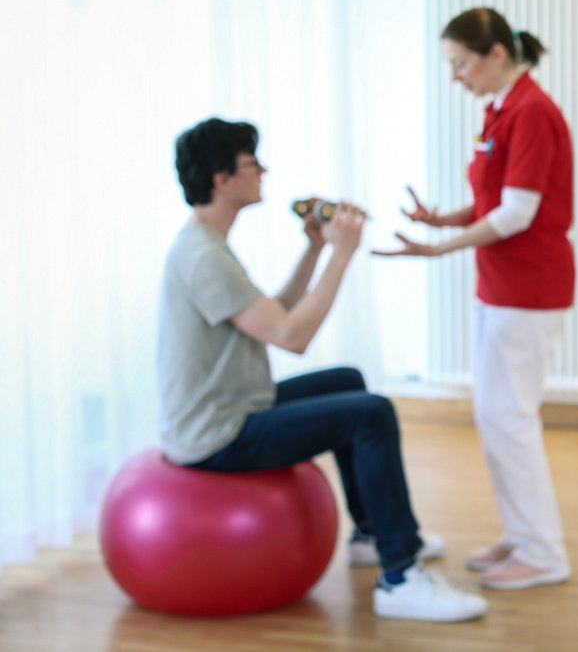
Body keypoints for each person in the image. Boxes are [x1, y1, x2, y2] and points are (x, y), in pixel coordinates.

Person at [157, 117, 488, 622]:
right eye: (252, 163)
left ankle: (372, 535)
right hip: (217, 432)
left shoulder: (207, 245)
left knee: (349, 382)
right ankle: (400, 577)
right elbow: (293, 336)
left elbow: (272, 313)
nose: (263, 170)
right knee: (370, 413)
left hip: (237, 403)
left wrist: (314, 249)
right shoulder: (204, 257)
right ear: (222, 180)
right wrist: (341, 254)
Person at [374, 7, 574, 591]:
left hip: (529, 286)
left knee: (508, 417)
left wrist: (440, 250)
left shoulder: (532, 111)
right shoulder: (500, 109)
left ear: (495, 55)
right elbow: (496, 199)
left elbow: (519, 213)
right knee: (495, 416)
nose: (456, 77)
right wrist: (444, 220)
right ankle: (521, 536)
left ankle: (544, 553)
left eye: (461, 64)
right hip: (501, 283)